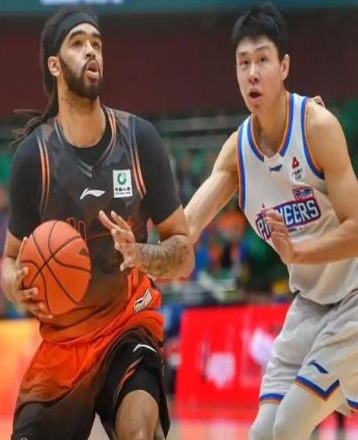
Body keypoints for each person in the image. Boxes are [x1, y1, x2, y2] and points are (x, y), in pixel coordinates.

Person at [1, 6, 193, 440]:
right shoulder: (34, 159)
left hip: (128, 324)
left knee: (140, 434)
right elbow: (8, 263)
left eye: (97, 43)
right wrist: (16, 285)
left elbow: (184, 254)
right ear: (54, 65)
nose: (91, 51)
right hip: (64, 345)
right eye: (78, 43)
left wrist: (140, 253)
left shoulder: (139, 140)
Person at [184, 4, 358, 440]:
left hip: (355, 295)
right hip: (310, 304)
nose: (252, 73)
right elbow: (185, 228)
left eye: (262, 60)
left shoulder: (317, 126)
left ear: (284, 67)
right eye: (243, 63)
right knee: (263, 433)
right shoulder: (238, 151)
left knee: (291, 422)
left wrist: (299, 252)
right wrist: (141, 251)